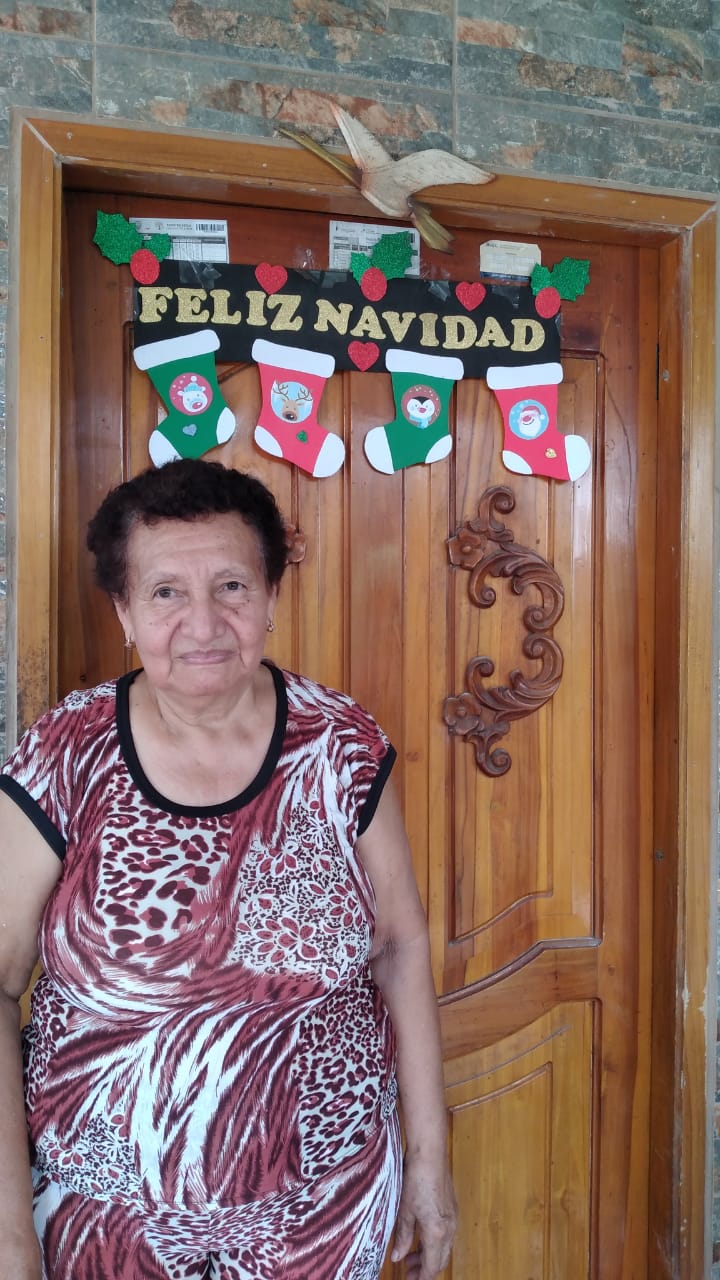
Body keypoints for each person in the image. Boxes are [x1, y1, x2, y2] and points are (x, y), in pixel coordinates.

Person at [0, 458, 457, 1280]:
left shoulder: (342, 746)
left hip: (322, 1213)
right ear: (124, 612)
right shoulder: (63, 755)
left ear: (271, 598)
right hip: (103, 1222)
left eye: (233, 587)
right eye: (166, 592)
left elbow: (399, 946)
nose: (203, 624)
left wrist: (429, 1160)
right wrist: (9, 1240)